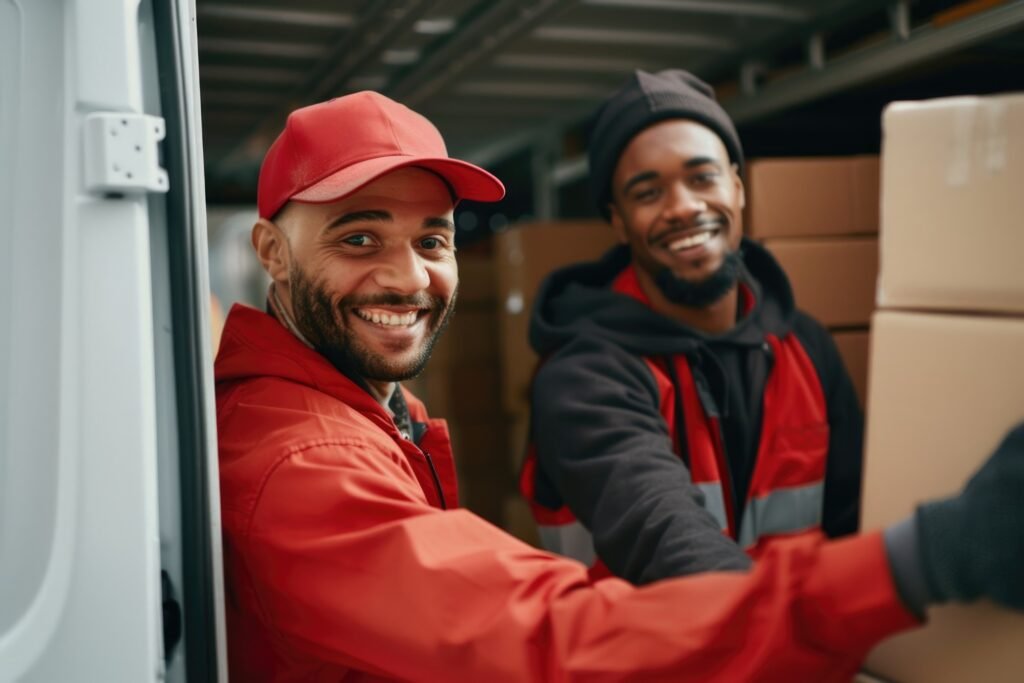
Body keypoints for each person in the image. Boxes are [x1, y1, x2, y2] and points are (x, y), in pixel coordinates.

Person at [215, 89, 1024, 682]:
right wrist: (918, 563)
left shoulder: (374, 415)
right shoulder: (306, 462)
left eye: (433, 238)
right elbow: (553, 629)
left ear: (741, 189)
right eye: (359, 236)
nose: (408, 276)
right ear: (273, 253)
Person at [520, 68, 866, 581]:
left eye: (702, 177)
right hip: (643, 657)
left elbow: (853, 521)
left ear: (738, 187)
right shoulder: (581, 378)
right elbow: (663, 534)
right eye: (647, 192)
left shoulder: (806, 347)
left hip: (804, 652)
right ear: (617, 221)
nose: (683, 208)